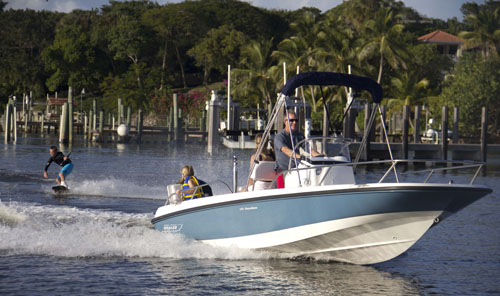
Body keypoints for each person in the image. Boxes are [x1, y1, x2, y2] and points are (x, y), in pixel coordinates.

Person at [273, 110, 321, 188]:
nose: (294, 122)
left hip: (296, 170)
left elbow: (309, 149)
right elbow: (285, 150)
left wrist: (320, 156)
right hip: (282, 171)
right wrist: (300, 157)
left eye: (296, 120)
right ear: (285, 122)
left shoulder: (299, 136)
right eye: (291, 120)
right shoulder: (279, 137)